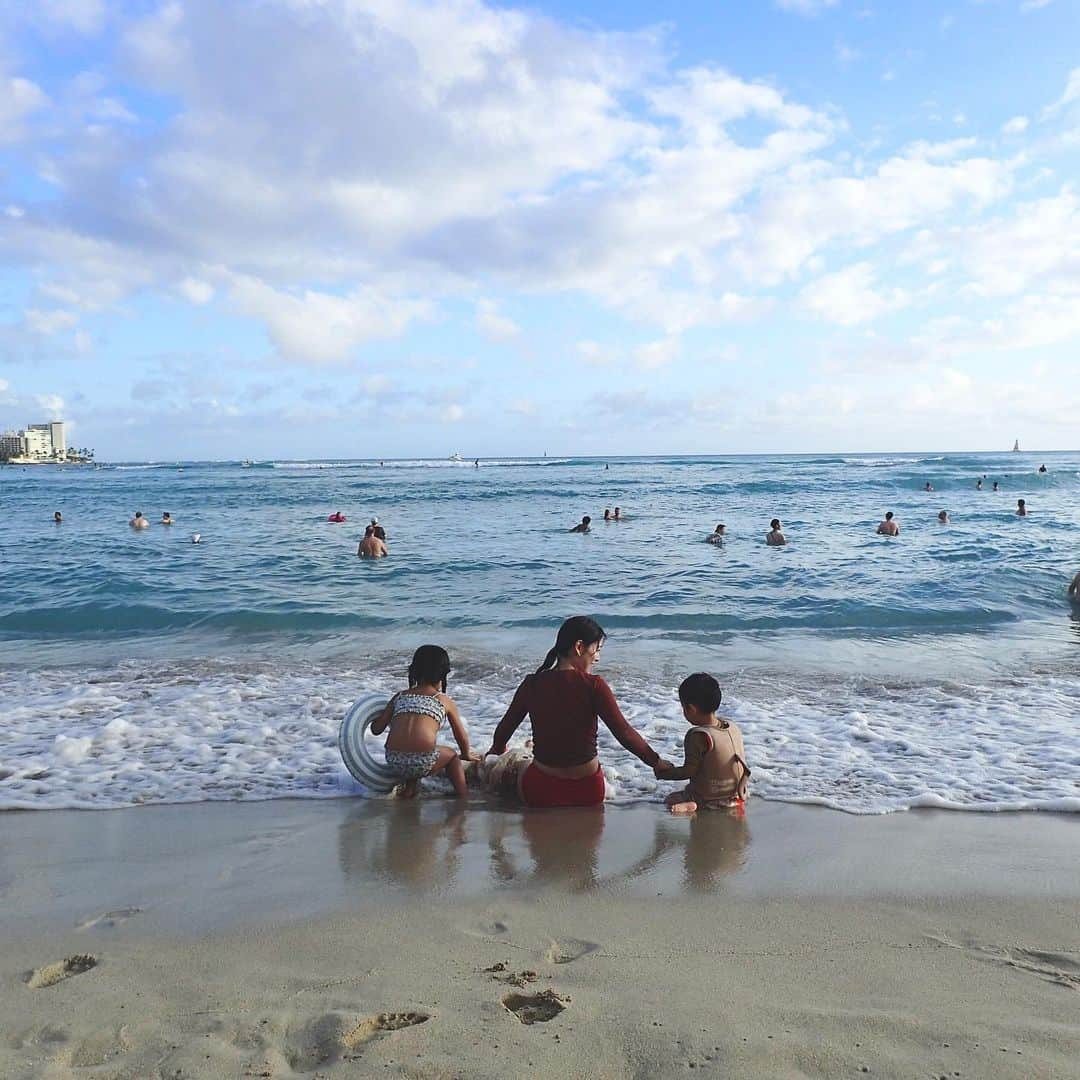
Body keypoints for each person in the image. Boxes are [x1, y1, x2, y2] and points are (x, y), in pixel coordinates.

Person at [486, 616, 669, 808]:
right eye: (596, 650)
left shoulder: (532, 684)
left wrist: (496, 751)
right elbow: (623, 732)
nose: (597, 657)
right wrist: (655, 762)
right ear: (579, 647)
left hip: (540, 790)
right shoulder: (594, 685)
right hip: (588, 791)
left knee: (520, 765)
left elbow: (505, 728)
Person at [370, 645, 478, 799]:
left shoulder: (399, 696)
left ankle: (410, 789)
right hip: (422, 762)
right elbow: (460, 735)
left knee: (411, 747)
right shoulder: (444, 701)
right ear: (443, 674)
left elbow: (376, 729)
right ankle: (463, 795)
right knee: (452, 755)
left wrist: (373, 715)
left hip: (394, 760)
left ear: (415, 671)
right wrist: (466, 754)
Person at [654, 673, 750, 814]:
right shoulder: (732, 726)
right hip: (738, 796)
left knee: (670, 799)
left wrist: (665, 773)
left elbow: (688, 771)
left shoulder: (698, 736)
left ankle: (691, 805)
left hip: (708, 801)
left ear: (691, 709)